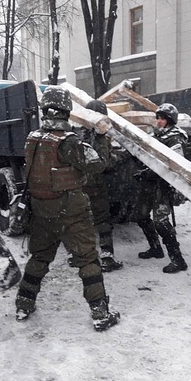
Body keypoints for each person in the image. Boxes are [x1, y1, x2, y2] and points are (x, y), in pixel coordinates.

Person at [15, 86, 120, 331]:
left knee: (39, 257)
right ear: (66, 111)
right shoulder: (68, 141)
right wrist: (102, 137)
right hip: (71, 212)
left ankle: (24, 303)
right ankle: (100, 312)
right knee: (87, 259)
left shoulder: (32, 138)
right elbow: (98, 165)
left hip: (41, 210)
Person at [133, 103, 189, 273]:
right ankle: (156, 248)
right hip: (149, 183)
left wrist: (149, 173)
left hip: (164, 184)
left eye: (163, 118)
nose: (159, 121)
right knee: (140, 215)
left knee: (161, 222)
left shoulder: (175, 138)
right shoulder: (156, 136)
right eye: (158, 118)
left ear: (170, 120)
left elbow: (173, 165)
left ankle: (178, 259)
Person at [82, 100, 123, 272]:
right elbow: (104, 163)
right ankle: (107, 256)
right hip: (96, 183)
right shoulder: (98, 136)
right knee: (102, 220)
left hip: (81, 183)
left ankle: (80, 256)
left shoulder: (80, 133)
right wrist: (117, 158)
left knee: (81, 220)